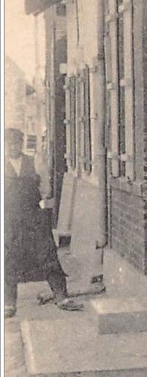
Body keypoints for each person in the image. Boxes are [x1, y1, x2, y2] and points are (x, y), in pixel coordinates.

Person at [4, 128, 82, 318]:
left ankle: (62, 296)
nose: (13, 146)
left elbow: (46, 189)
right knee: (8, 258)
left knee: (48, 254)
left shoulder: (34, 163)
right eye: (9, 143)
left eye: (16, 142)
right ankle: (8, 304)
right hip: (9, 219)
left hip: (33, 217)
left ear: (21, 144)